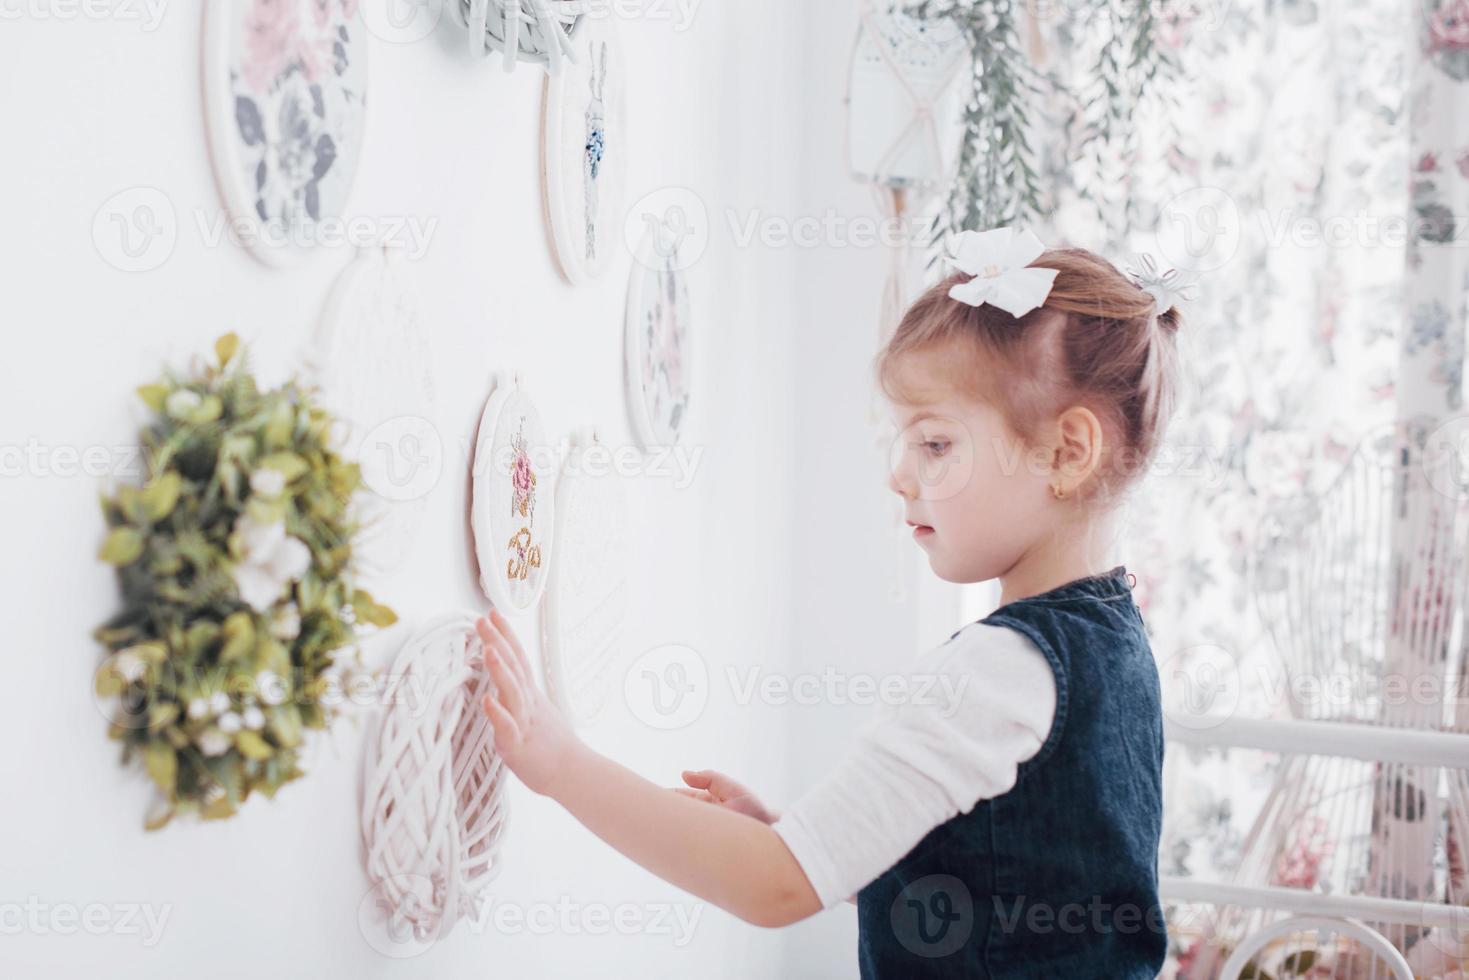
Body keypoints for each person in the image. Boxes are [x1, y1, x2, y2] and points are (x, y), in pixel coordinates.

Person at [477, 226, 1187, 977]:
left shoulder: (998, 669)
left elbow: (773, 887)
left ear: (1067, 453)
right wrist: (816, 842)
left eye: (935, 443)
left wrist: (560, 764)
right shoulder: (1114, 639)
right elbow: (1005, 881)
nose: (899, 474)